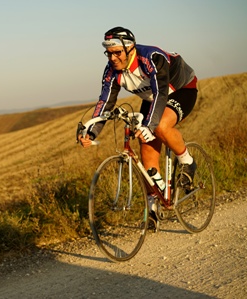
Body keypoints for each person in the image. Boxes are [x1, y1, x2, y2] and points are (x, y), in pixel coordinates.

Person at [78, 26, 198, 223]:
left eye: (117, 52)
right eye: (108, 53)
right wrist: (91, 132)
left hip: (181, 88)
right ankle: (153, 207)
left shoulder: (151, 57)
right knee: (146, 149)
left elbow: (161, 93)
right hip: (152, 97)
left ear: (130, 48)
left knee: (158, 127)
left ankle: (187, 162)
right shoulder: (111, 71)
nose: (113, 58)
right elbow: (106, 101)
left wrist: (149, 125)